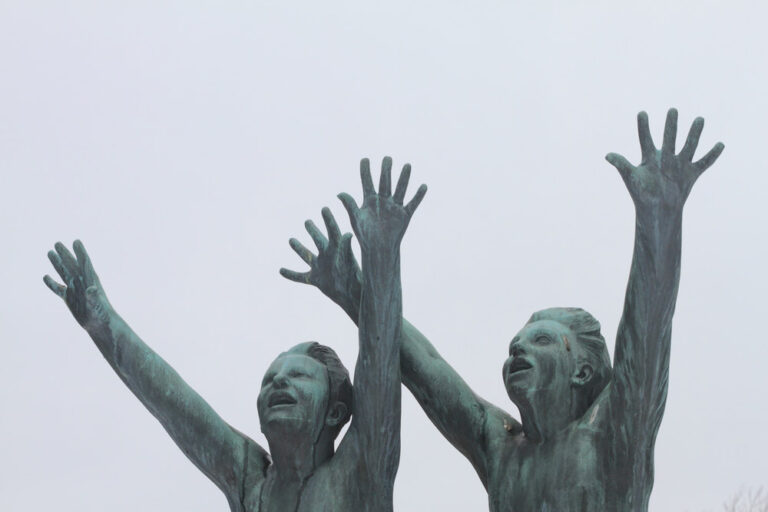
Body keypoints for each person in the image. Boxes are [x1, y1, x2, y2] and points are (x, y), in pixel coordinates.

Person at [281, 110, 724, 511]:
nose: (517, 351)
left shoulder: (611, 436)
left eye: (542, 341)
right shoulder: (502, 449)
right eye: (515, 346)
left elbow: (645, 337)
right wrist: (354, 290)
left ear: (583, 372)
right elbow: (429, 371)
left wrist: (658, 219)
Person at [44, 157, 426, 512]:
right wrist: (102, 322)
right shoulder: (250, 481)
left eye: (298, 376)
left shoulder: (361, 469)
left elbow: (379, 359)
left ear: (335, 412)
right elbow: (174, 405)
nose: (278, 382)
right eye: (270, 379)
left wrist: (380, 256)